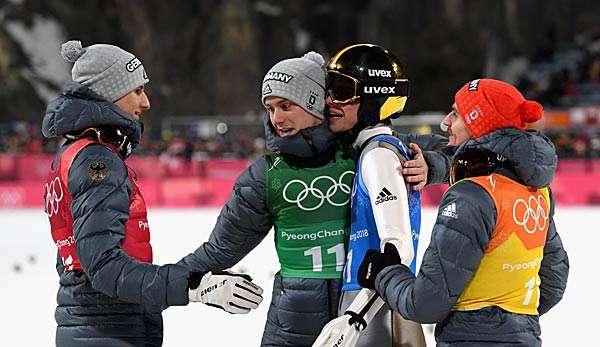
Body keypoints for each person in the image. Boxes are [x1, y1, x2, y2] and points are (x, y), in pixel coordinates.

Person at [178, 50, 449, 346]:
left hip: (364, 316)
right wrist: (179, 283)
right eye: (269, 108)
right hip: (294, 325)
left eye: (286, 105)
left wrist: (431, 165)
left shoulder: (365, 147)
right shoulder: (265, 175)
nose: (276, 118)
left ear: (314, 102)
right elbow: (218, 251)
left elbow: (462, 150)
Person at [42, 40, 263, 347]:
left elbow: (76, 259)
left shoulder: (72, 152)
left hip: (90, 321)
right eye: (137, 90)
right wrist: (195, 287)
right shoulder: (98, 160)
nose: (145, 102)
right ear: (109, 93)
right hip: (107, 328)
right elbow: (104, 268)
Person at [357, 78, 569, 346]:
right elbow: (553, 282)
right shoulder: (537, 191)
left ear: (478, 123)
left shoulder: (471, 196)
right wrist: (509, 320)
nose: (446, 121)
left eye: (456, 113)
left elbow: (425, 304)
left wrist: (383, 273)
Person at [314, 43, 439, 347]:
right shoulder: (372, 153)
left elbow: (399, 248)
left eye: (342, 91)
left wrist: (355, 318)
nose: (330, 101)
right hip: (373, 304)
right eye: (329, 90)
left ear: (372, 99)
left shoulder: (378, 157)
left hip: (376, 311)